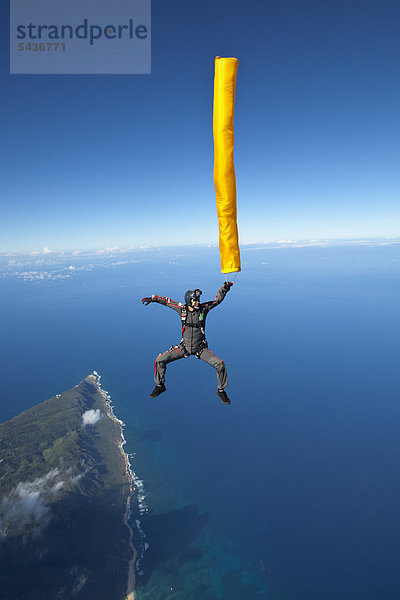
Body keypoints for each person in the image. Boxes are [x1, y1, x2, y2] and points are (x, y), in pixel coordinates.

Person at [142, 282, 233, 404]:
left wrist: (224, 289)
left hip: (200, 349)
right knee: (160, 360)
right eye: (195, 300)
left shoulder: (203, 309)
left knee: (220, 365)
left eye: (198, 300)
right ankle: (160, 385)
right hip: (184, 348)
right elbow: (168, 302)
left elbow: (216, 301)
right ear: (189, 300)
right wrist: (153, 299)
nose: (198, 302)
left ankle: (221, 390)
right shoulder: (182, 309)